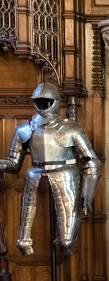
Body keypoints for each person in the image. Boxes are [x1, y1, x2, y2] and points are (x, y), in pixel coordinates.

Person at [0, 83, 101, 256]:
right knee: (22, 243)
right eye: (39, 101)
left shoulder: (71, 128)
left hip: (65, 174)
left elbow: (91, 162)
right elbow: (13, 164)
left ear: (55, 102)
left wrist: (88, 194)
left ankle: (65, 240)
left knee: (67, 242)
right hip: (35, 174)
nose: (43, 106)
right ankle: (25, 239)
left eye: (46, 101)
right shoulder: (25, 129)